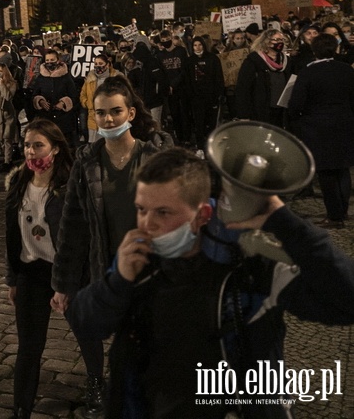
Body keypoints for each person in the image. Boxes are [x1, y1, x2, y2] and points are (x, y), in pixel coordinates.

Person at [67, 147, 354, 418]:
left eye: (163, 212)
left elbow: (345, 301)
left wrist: (286, 223)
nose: (146, 224)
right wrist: (117, 282)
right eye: (142, 209)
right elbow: (86, 323)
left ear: (202, 215)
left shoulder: (254, 269)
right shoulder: (139, 260)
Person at [52, 75, 172, 416]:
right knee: (92, 330)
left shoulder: (154, 157)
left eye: (115, 112)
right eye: (100, 113)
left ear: (131, 113)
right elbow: (72, 225)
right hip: (103, 266)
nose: (107, 120)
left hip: (149, 270)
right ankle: (96, 382)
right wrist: (62, 284)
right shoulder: (86, 160)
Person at [5, 119, 73, 419]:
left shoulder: (69, 184)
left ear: (55, 148)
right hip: (31, 274)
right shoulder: (18, 181)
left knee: (88, 335)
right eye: (27, 145)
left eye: (39, 145)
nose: (31, 152)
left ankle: (97, 383)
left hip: (66, 274)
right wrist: (13, 277)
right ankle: (21, 409)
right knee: (29, 349)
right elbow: (10, 235)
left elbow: (78, 239)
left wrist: (68, 283)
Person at [287, 33, 354, 229]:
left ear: (314, 51)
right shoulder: (346, 70)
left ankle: (334, 216)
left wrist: (296, 117)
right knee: (342, 168)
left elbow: (296, 103)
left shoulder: (308, 72)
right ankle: (342, 211)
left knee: (326, 172)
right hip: (344, 123)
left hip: (317, 127)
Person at [236, 29, 290, 127]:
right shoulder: (253, 62)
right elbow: (243, 89)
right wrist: (244, 115)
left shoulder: (286, 61)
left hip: (282, 112)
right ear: (267, 42)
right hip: (261, 112)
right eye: (276, 40)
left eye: (281, 40)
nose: (280, 43)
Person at [29, 50, 79, 147]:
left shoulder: (66, 77)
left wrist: (64, 103)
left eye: (52, 60)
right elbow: (34, 95)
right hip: (46, 118)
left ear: (58, 60)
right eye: (47, 60)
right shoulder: (40, 78)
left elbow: (74, 96)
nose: (49, 62)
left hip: (64, 120)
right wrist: (40, 101)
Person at [186, 35, 225, 150]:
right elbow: (188, 80)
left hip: (211, 97)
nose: (197, 48)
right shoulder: (189, 61)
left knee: (211, 124)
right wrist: (191, 96)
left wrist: (219, 94)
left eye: (199, 45)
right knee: (199, 124)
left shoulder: (213, 58)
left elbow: (219, 77)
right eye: (195, 45)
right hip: (197, 98)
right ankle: (200, 148)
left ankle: (211, 146)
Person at [79, 53, 122, 144]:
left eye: (100, 64)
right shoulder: (90, 78)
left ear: (108, 64)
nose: (98, 66)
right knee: (94, 146)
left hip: (110, 117)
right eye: (96, 64)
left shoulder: (116, 77)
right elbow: (83, 94)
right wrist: (88, 104)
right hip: (93, 118)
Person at [0, 63, 19, 166]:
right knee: (0, 137)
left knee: (7, 137)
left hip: (7, 112)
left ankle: (8, 160)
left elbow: (7, 97)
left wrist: (2, 85)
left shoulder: (12, 84)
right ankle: (5, 155)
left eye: (1, 71)